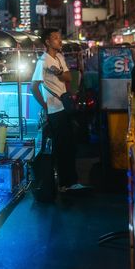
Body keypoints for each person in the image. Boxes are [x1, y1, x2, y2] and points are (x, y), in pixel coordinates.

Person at [31, 28, 88, 193]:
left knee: (70, 145)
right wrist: (45, 105)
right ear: (47, 42)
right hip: (54, 109)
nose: (59, 40)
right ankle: (66, 183)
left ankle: (70, 181)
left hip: (64, 106)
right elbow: (33, 86)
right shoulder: (43, 62)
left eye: (59, 37)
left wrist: (58, 73)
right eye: (55, 38)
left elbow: (69, 78)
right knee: (62, 146)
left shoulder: (60, 57)